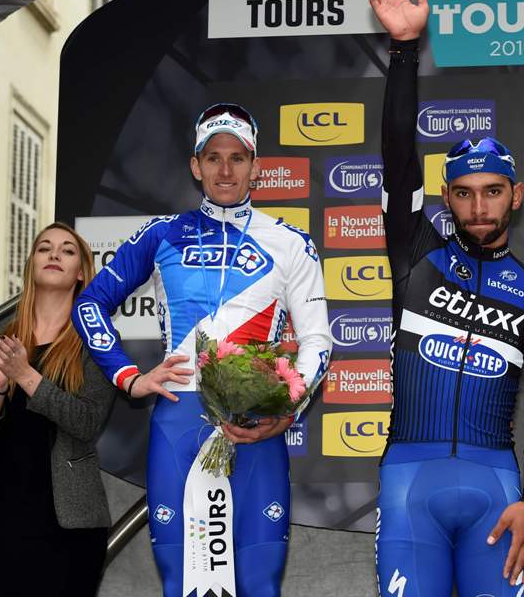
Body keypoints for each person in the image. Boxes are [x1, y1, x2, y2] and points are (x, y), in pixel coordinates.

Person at [72, 103, 332, 597]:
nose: (226, 169)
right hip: (179, 417)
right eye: (214, 157)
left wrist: (286, 408)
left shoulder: (290, 242)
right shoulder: (162, 233)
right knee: (183, 585)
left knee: (259, 583)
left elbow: (318, 339)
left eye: (238, 157)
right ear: (196, 165)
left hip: (257, 426)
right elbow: (89, 305)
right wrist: (130, 375)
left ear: (256, 165)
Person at [368, 0, 524, 596]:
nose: (479, 206)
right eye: (464, 193)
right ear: (448, 199)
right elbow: (398, 161)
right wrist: (403, 51)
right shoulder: (417, 253)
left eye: (493, 191)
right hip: (409, 482)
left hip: (498, 491)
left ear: (517, 197)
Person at [0, 223, 115, 596]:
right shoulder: (0, 334)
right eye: (44, 248)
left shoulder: (96, 336)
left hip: (69, 527)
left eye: (67, 250)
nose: (53, 254)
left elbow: (87, 421)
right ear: (31, 264)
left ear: (81, 272)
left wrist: (25, 376)